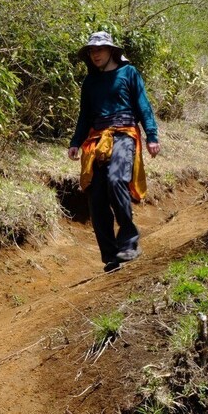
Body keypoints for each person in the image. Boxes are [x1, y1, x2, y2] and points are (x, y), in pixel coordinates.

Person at [68, 31, 160, 272]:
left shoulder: (129, 73)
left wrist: (152, 135)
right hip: (96, 138)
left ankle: (129, 240)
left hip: (124, 133)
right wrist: (75, 142)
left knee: (116, 179)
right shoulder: (89, 82)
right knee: (96, 196)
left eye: (99, 49)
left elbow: (143, 105)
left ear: (111, 51)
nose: (95, 53)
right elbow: (84, 116)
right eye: (91, 50)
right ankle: (111, 256)